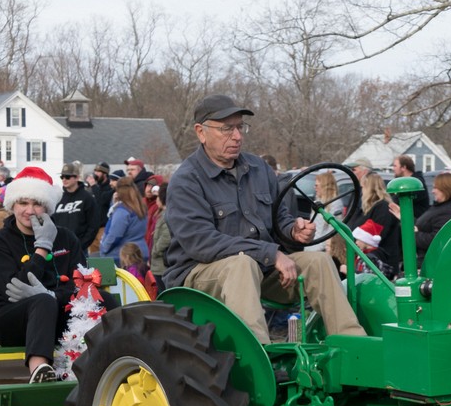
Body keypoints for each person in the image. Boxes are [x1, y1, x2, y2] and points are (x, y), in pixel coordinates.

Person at [163, 93, 365, 344]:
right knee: (242, 264)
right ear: (201, 132)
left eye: (240, 127)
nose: (237, 136)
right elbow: (202, 243)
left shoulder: (258, 168)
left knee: (319, 262)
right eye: (227, 129)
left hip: (262, 268)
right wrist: (270, 253)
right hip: (198, 274)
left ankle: (353, 346)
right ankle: (260, 360)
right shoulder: (187, 180)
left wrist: (293, 229)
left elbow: (278, 215)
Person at [0, 166, 90, 389]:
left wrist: (53, 294)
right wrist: (42, 248)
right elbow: (14, 290)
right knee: (43, 301)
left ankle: (116, 366)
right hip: (9, 319)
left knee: (103, 301)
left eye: (37, 203)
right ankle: (39, 374)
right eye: (23, 203)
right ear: (12, 205)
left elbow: (82, 285)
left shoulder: (66, 238)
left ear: (47, 206)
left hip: (57, 314)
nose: (30, 210)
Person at [416, 172, 451, 268]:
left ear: (446, 188)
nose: (432, 191)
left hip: (432, 264)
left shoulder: (449, 211)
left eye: (435, 188)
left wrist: (414, 234)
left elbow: (436, 240)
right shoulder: (440, 207)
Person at [51, 162, 100, 251]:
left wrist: (81, 245)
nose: (64, 179)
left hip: (79, 249)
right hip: (59, 248)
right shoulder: (58, 198)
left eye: (68, 177)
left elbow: (94, 225)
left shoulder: (87, 198)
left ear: (77, 177)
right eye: (62, 177)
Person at [99, 177, 148, 263]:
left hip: (122, 256)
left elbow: (115, 235)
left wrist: (104, 249)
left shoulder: (122, 211)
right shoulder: (140, 208)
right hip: (140, 251)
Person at [307, 170, 345, 254]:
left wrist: (316, 248)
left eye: (317, 185)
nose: (314, 188)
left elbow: (333, 231)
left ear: (325, 186)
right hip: (311, 246)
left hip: (322, 249)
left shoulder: (336, 204)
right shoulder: (318, 202)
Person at [390, 154, 429, 219]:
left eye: (395, 166)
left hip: (415, 222)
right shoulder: (399, 183)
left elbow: (402, 199)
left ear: (403, 168)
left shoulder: (416, 183)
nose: (393, 169)